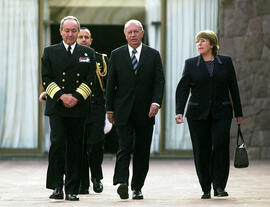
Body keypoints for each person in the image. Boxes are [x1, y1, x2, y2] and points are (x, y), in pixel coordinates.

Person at [175, 30, 243, 199]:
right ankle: (205, 187)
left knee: (220, 147)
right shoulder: (190, 64)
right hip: (197, 114)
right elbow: (183, 89)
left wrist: (239, 112)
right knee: (201, 150)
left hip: (222, 112)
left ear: (212, 44)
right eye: (197, 41)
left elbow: (233, 88)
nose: (199, 44)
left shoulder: (225, 62)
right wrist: (179, 111)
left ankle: (219, 186)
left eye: (203, 41)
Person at [40, 27, 108, 195]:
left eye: (74, 31)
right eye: (67, 31)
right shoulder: (50, 51)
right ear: (61, 32)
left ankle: (72, 189)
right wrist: (62, 97)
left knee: (76, 147)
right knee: (58, 144)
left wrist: (76, 97)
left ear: (77, 32)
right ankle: (57, 186)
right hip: (57, 105)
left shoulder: (88, 53)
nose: (70, 34)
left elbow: (90, 78)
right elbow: (46, 78)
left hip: (79, 106)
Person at [106, 19, 165, 200]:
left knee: (142, 150)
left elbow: (159, 82)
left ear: (142, 33)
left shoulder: (153, 55)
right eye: (129, 32)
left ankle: (137, 187)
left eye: (135, 31)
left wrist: (156, 102)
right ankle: (122, 182)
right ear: (125, 35)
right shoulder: (116, 55)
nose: (132, 35)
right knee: (124, 146)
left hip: (146, 111)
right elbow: (111, 84)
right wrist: (109, 109)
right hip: (123, 110)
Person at [76, 27, 108, 194]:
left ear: (91, 40)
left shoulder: (102, 59)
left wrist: (111, 110)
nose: (83, 39)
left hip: (96, 107)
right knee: (80, 145)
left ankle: (96, 176)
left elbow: (111, 85)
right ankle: (83, 183)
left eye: (86, 37)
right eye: (80, 37)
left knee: (95, 144)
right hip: (78, 107)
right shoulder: (72, 58)